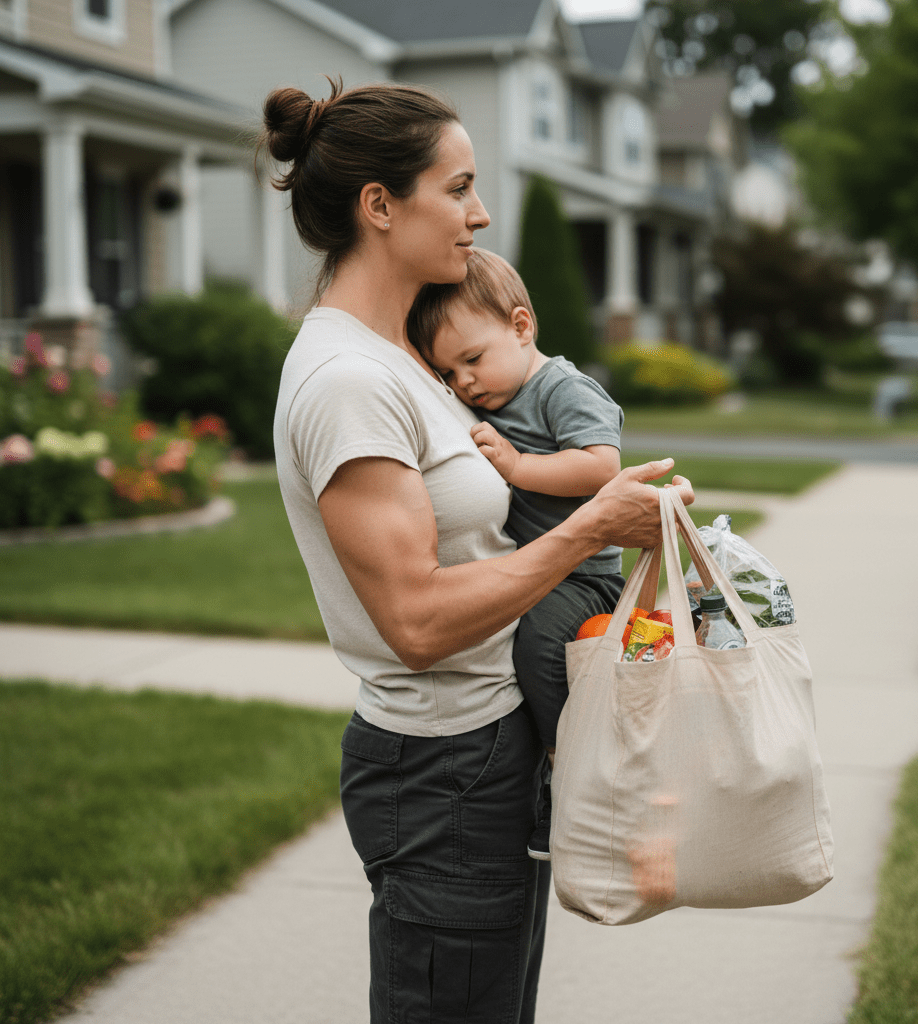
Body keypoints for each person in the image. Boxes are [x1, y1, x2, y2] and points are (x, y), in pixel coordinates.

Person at [262, 75, 693, 1024]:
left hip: (488, 757)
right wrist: (591, 528)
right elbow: (415, 622)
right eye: (457, 188)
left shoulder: (403, 361)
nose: (481, 212)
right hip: (442, 773)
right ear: (381, 206)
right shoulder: (345, 381)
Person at [407, 248, 626, 860]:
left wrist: (517, 465)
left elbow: (601, 466)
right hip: (541, 571)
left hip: (583, 577)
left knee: (537, 646)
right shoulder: (489, 400)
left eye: (472, 360)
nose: (466, 383)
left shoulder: (564, 388)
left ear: (522, 326)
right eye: (449, 375)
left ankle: (578, 772)